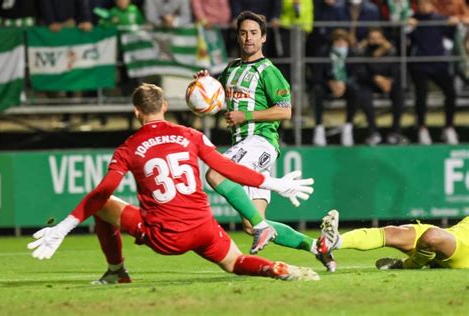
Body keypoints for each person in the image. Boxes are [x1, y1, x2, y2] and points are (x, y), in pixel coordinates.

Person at [27, 83, 337, 283]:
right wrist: (274, 183)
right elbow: (225, 168)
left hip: (166, 236)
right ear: (164, 107)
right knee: (234, 261)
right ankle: (271, 268)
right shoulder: (191, 135)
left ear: (136, 112)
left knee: (105, 207)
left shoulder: (129, 147)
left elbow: (102, 192)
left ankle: (117, 272)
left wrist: (64, 226)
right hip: (203, 227)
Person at [196, 11, 340, 272]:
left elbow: (286, 111)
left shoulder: (269, 71)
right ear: (238, 36)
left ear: (263, 37)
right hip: (243, 146)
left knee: (215, 173)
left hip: (260, 142)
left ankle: (264, 229)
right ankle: (317, 246)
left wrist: (246, 115)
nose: (248, 38)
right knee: (253, 223)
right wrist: (204, 84)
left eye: (253, 33)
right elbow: (216, 99)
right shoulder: (231, 69)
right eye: (243, 33)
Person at [327, 215, 469, 269]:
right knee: (393, 232)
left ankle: (408, 264)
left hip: (462, 249)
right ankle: (336, 241)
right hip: (449, 233)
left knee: (431, 237)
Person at [408, 0, 459, 145]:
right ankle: (422, 129)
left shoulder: (440, 19)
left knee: (451, 92)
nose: (424, 7)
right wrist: (408, 27)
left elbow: (451, 35)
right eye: (421, 4)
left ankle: (449, 127)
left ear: (432, 5)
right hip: (420, 65)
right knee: (421, 95)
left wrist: (454, 24)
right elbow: (405, 38)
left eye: (427, 4)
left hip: (438, 64)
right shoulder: (413, 19)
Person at [309, 28, 372, 146]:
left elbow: (357, 74)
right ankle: (319, 128)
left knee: (356, 91)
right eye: (337, 42)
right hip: (327, 85)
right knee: (317, 91)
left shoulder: (352, 54)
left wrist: (344, 83)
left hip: (346, 85)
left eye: (343, 42)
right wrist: (330, 83)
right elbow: (316, 75)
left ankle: (348, 127)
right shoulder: (323, 53)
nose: (340, 45)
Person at [357, 27, 408, 145]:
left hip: (388, 83)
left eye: (378, 38)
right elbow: (360, 72)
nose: (375, 41)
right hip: (370, 83)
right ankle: (373, 133)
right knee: (363, 94)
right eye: (372, 38)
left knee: (399, 93)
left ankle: (396, 132)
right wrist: (375, 78)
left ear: (383, 39)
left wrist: (389, 81)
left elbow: (397, 70)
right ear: (367, 40)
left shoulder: (391, 52)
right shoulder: (363, 52)